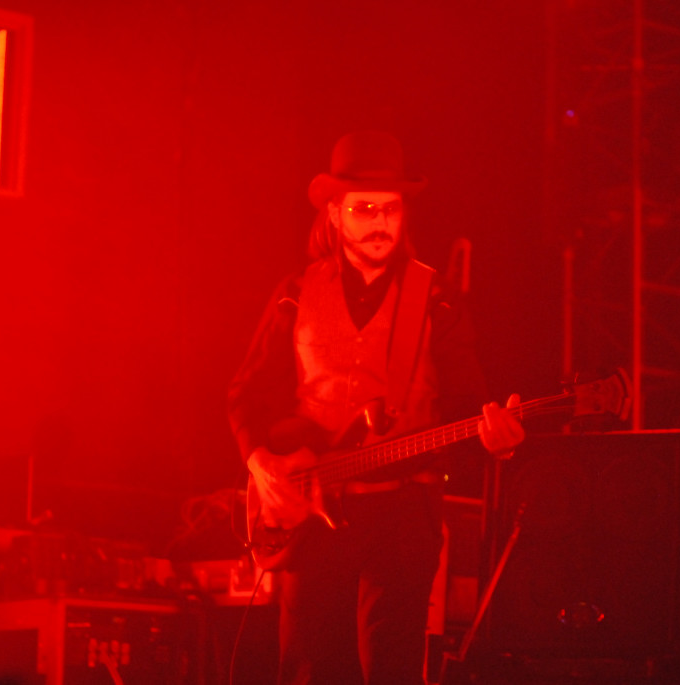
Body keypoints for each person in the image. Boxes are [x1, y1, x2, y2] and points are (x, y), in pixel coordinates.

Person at [227, 130, 524, 685]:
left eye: (391, 209)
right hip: (313, 516)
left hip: (404, 514)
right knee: (310, 668)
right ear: (334, 214)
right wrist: (261, 464)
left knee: (391, 670)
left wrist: (496, 442)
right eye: (364, 209)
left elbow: (468, 407)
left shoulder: (437, 300)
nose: (380, 221)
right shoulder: (295, 291)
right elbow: (246, 392)